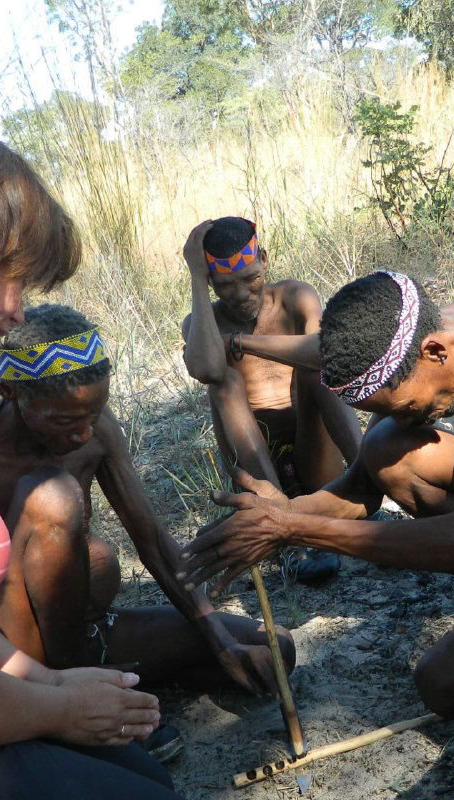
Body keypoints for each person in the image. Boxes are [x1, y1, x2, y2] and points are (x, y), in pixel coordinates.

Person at [0, 122, 184, 799]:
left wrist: (52, 684)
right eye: (14, 280)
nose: (16, 311)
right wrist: (62, 712)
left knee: (144, 772)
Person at [177, 270, 454, 718]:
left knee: (451, 679)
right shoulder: (414, 336)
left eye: (408, 407)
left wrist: (294, 530)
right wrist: (281, 512)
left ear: (435, 353)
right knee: (386, 447)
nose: (412, 421)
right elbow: (361, 486)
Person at [0, 303, 294, 703]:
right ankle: (71, 701)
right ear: (9, 393)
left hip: (90, 635)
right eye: (64, 421)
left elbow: (152, 541)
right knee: (52, 494)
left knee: (273, 651)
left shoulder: (96, 429)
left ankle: (102, 687)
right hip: (14, 659)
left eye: (93, 414)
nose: (83, 435)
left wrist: (221, 641)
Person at [181, 218, 362, 582]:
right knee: (224, 381)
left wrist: (241, 342)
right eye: (224, 285)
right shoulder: (201, 324)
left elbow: (323, 352)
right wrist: (196, 278)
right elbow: (206, 369)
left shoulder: (295, 298)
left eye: (250, 278)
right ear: (210, 282)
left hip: (314, 453)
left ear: (263, 260)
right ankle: (281, 529)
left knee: (314, 365)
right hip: (257, 470)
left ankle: (368, 479)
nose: (241, 293)